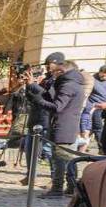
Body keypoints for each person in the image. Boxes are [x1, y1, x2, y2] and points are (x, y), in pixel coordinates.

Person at [26, 52, 84, 198]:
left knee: (60, 159)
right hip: (66, 125)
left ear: (61, 71)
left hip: (63, 126)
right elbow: (50, 96)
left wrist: (38, 101)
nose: (53, 74)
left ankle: (57, 189)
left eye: (55, 72)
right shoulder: (73, 83)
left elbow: (57, 106)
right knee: (68, 158)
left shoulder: (68, 85)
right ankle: (72, 187)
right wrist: (34, 89)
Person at [84, 65, 106, 148]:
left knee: (96, 128)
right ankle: (102, 147)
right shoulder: (93, 80)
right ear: (99, 72)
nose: (104, 77)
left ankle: (84, 144)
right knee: (98, 127)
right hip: (96, 106)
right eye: (102, 74)